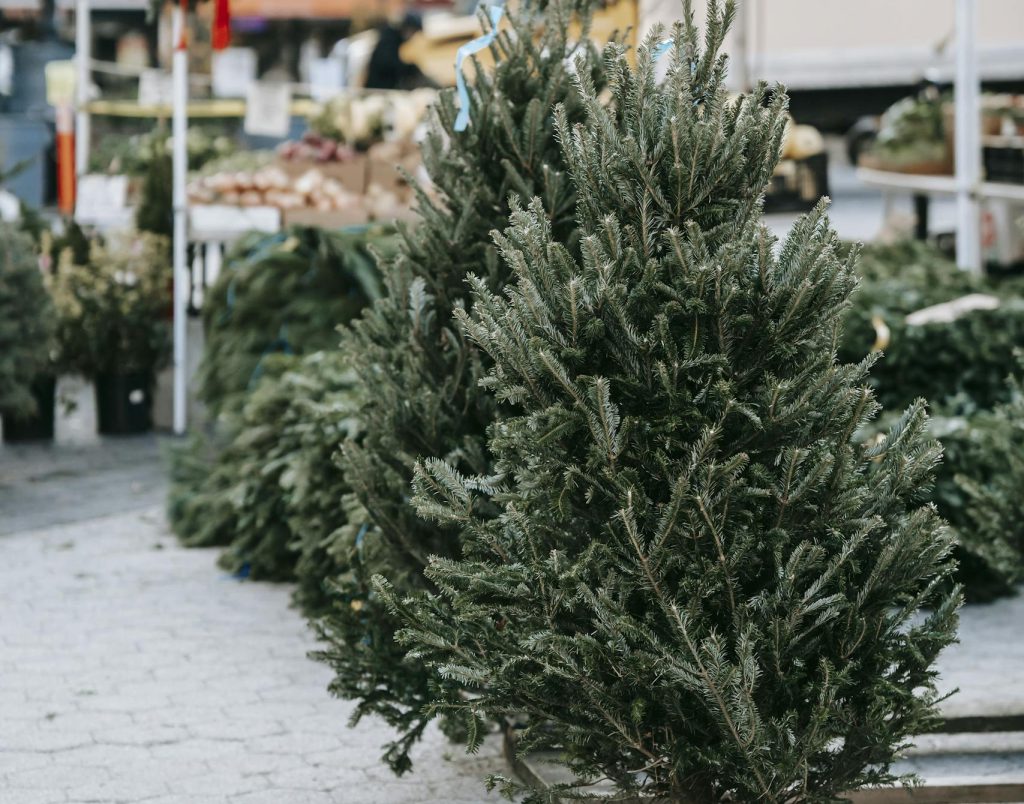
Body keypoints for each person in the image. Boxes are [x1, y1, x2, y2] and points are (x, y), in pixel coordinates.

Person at [364, 12, 435, 90]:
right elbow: (390, 63)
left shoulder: (399, 41)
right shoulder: (389, 40)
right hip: (378, 87)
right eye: (413, 32)